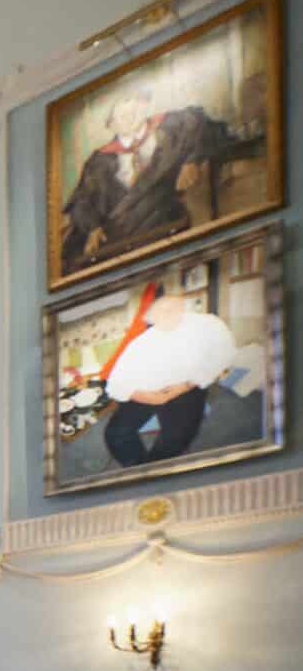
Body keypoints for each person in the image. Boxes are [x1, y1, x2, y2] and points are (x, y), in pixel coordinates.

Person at [60, 88, 233, 274]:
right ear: (112, 125)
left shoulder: (174, 125)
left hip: (160, 222)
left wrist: (192, 159)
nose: (130, 116)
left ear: (144, 106)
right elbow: (81, 199)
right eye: (121, 115)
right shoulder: (99, 160)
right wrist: (92, 226)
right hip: (115, 238)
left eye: (133, 106)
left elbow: (209, 127)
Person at [98, 284, 239, 468]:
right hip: (149, 391)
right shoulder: (143, 341)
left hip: (187, 387)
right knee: (115, 433)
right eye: (159, 312)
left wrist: (185, 385)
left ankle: (155, 472)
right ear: (151, 316)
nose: (167, 314)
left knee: (176, 439)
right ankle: (139, 469)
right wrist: (144, 396)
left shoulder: (207, 324)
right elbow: (115, 383)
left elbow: (225, 354)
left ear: (181, 305)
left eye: (172, 307)